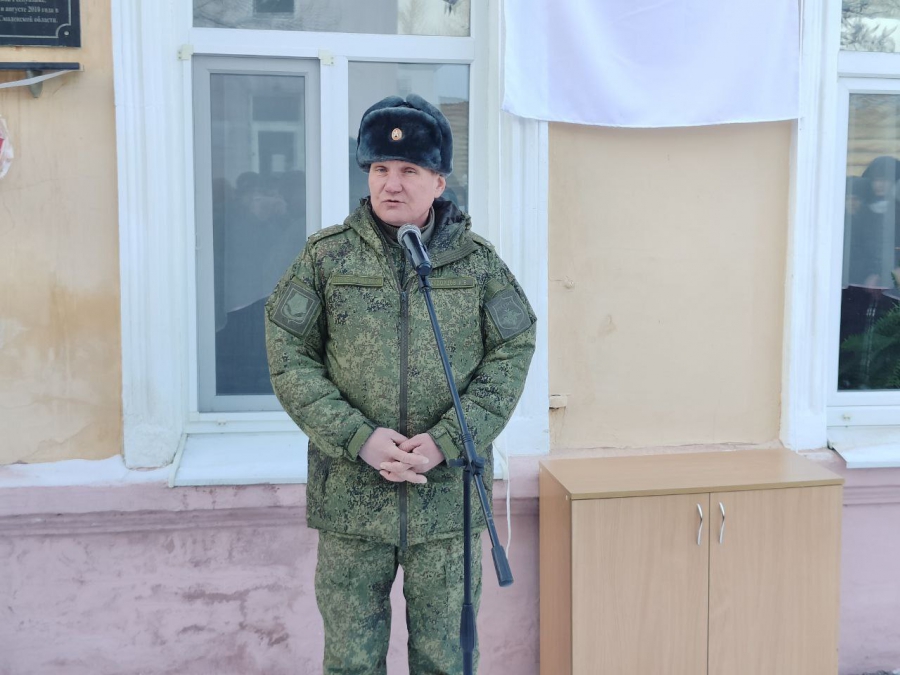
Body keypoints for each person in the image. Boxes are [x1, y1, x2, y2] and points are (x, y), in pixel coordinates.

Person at [264, 94, 536, 674]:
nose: (391, 184)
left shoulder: (476, 264)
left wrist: (448, 441)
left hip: (447, 507)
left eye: (409, 170)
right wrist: (358, 437)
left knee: (446, 661)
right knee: (351, 662)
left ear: (439, 181)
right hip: (352, 503)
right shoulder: (327, 259)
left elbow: (513, 350)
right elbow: (288, 355)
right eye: (380, 168)